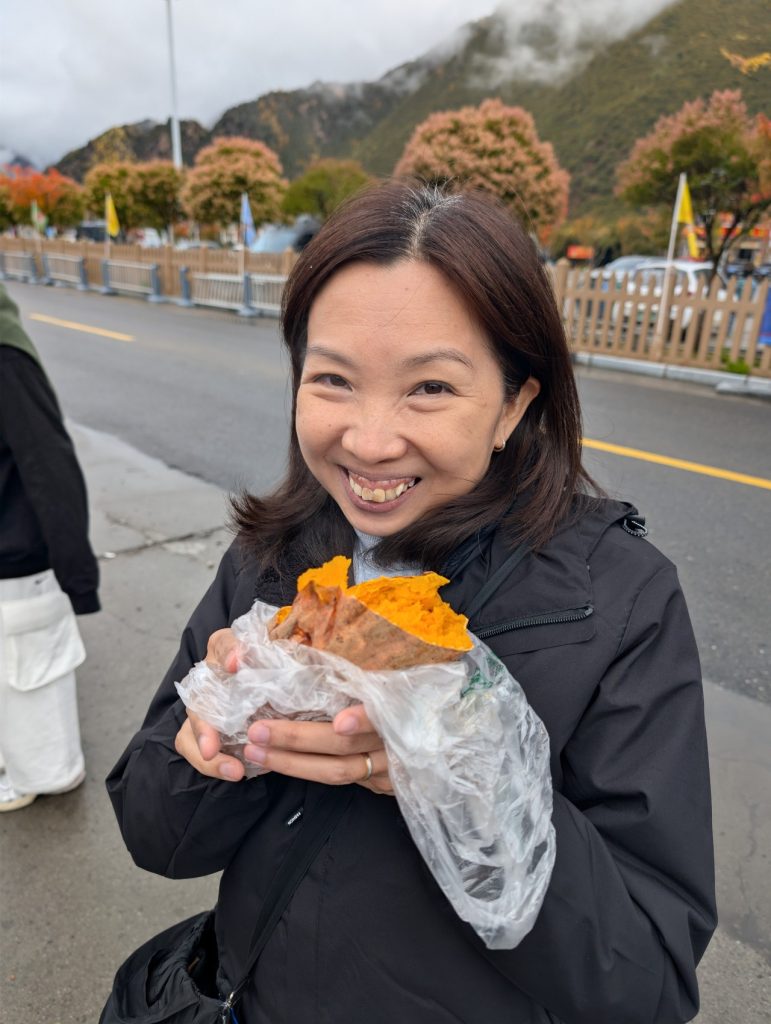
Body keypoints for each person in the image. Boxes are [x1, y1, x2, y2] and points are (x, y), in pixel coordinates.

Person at [106, 181, 716, 1023]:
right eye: (332, 379)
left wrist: (468, 779)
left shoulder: (614, 600)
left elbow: (645, 982)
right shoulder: (277, 563)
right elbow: (156, 838)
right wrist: (224, 735)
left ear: (513, 404)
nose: (368, 441)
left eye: (429, 388)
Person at [0, 283, 99, 811]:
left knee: (29, 682)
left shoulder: (6, 358)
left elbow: (49, 466)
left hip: (17, 562)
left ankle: (40, 775)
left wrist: (77, 577)